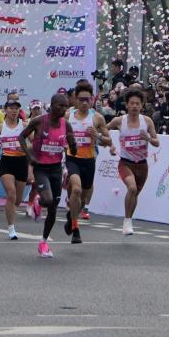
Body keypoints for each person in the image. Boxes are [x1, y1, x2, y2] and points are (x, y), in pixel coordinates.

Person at [20, 94, 77, 258]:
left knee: (53, 209)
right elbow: (21, 137)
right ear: (52, 106)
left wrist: (73, 144)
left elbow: (73, 151)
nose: (63, 109)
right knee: (48, 199)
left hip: (56, 168)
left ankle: (43, 243)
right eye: (60, 106)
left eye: (66, 106)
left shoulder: (67, 125)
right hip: (41, 167)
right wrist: (30, 156)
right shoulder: (39, 121)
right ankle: (38, 201)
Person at [106, 89, 160, 236]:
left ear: (142, 105)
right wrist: (110, 146)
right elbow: (103, 131)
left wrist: (148, 138)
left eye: (137, 103)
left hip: (142, 165)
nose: (135, 106)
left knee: (135, 194)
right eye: (132, 103)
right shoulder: (119, 121)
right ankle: (127, 221)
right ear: (127, 105)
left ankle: (128, 220)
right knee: (132, 188)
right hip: (125, 163)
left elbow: (157, 143)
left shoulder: (147, 121)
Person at [63, 83, 111, 243]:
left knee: (82, 199)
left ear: (92, 100)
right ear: (75, 100)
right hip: (72, 158)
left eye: (87, 99)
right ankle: (75, 229)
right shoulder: (68, 116)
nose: (84, 102)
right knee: (76, 189)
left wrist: (97, 136)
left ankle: (71, 216)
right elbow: (58, 134)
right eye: (81, 99)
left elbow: (108, 141)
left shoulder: (97, 118)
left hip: (89, 160)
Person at [0, 98, 27, 240]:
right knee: (11, 194)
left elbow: (34, 143)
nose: (14, 111)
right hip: (6, 162)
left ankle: (12, 213)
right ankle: (11, 228)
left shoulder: (24, 126)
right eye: (11, 108)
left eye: (16, 108)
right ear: (6, 110)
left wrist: (25, 147)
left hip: (22, 162)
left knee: (17, 200)